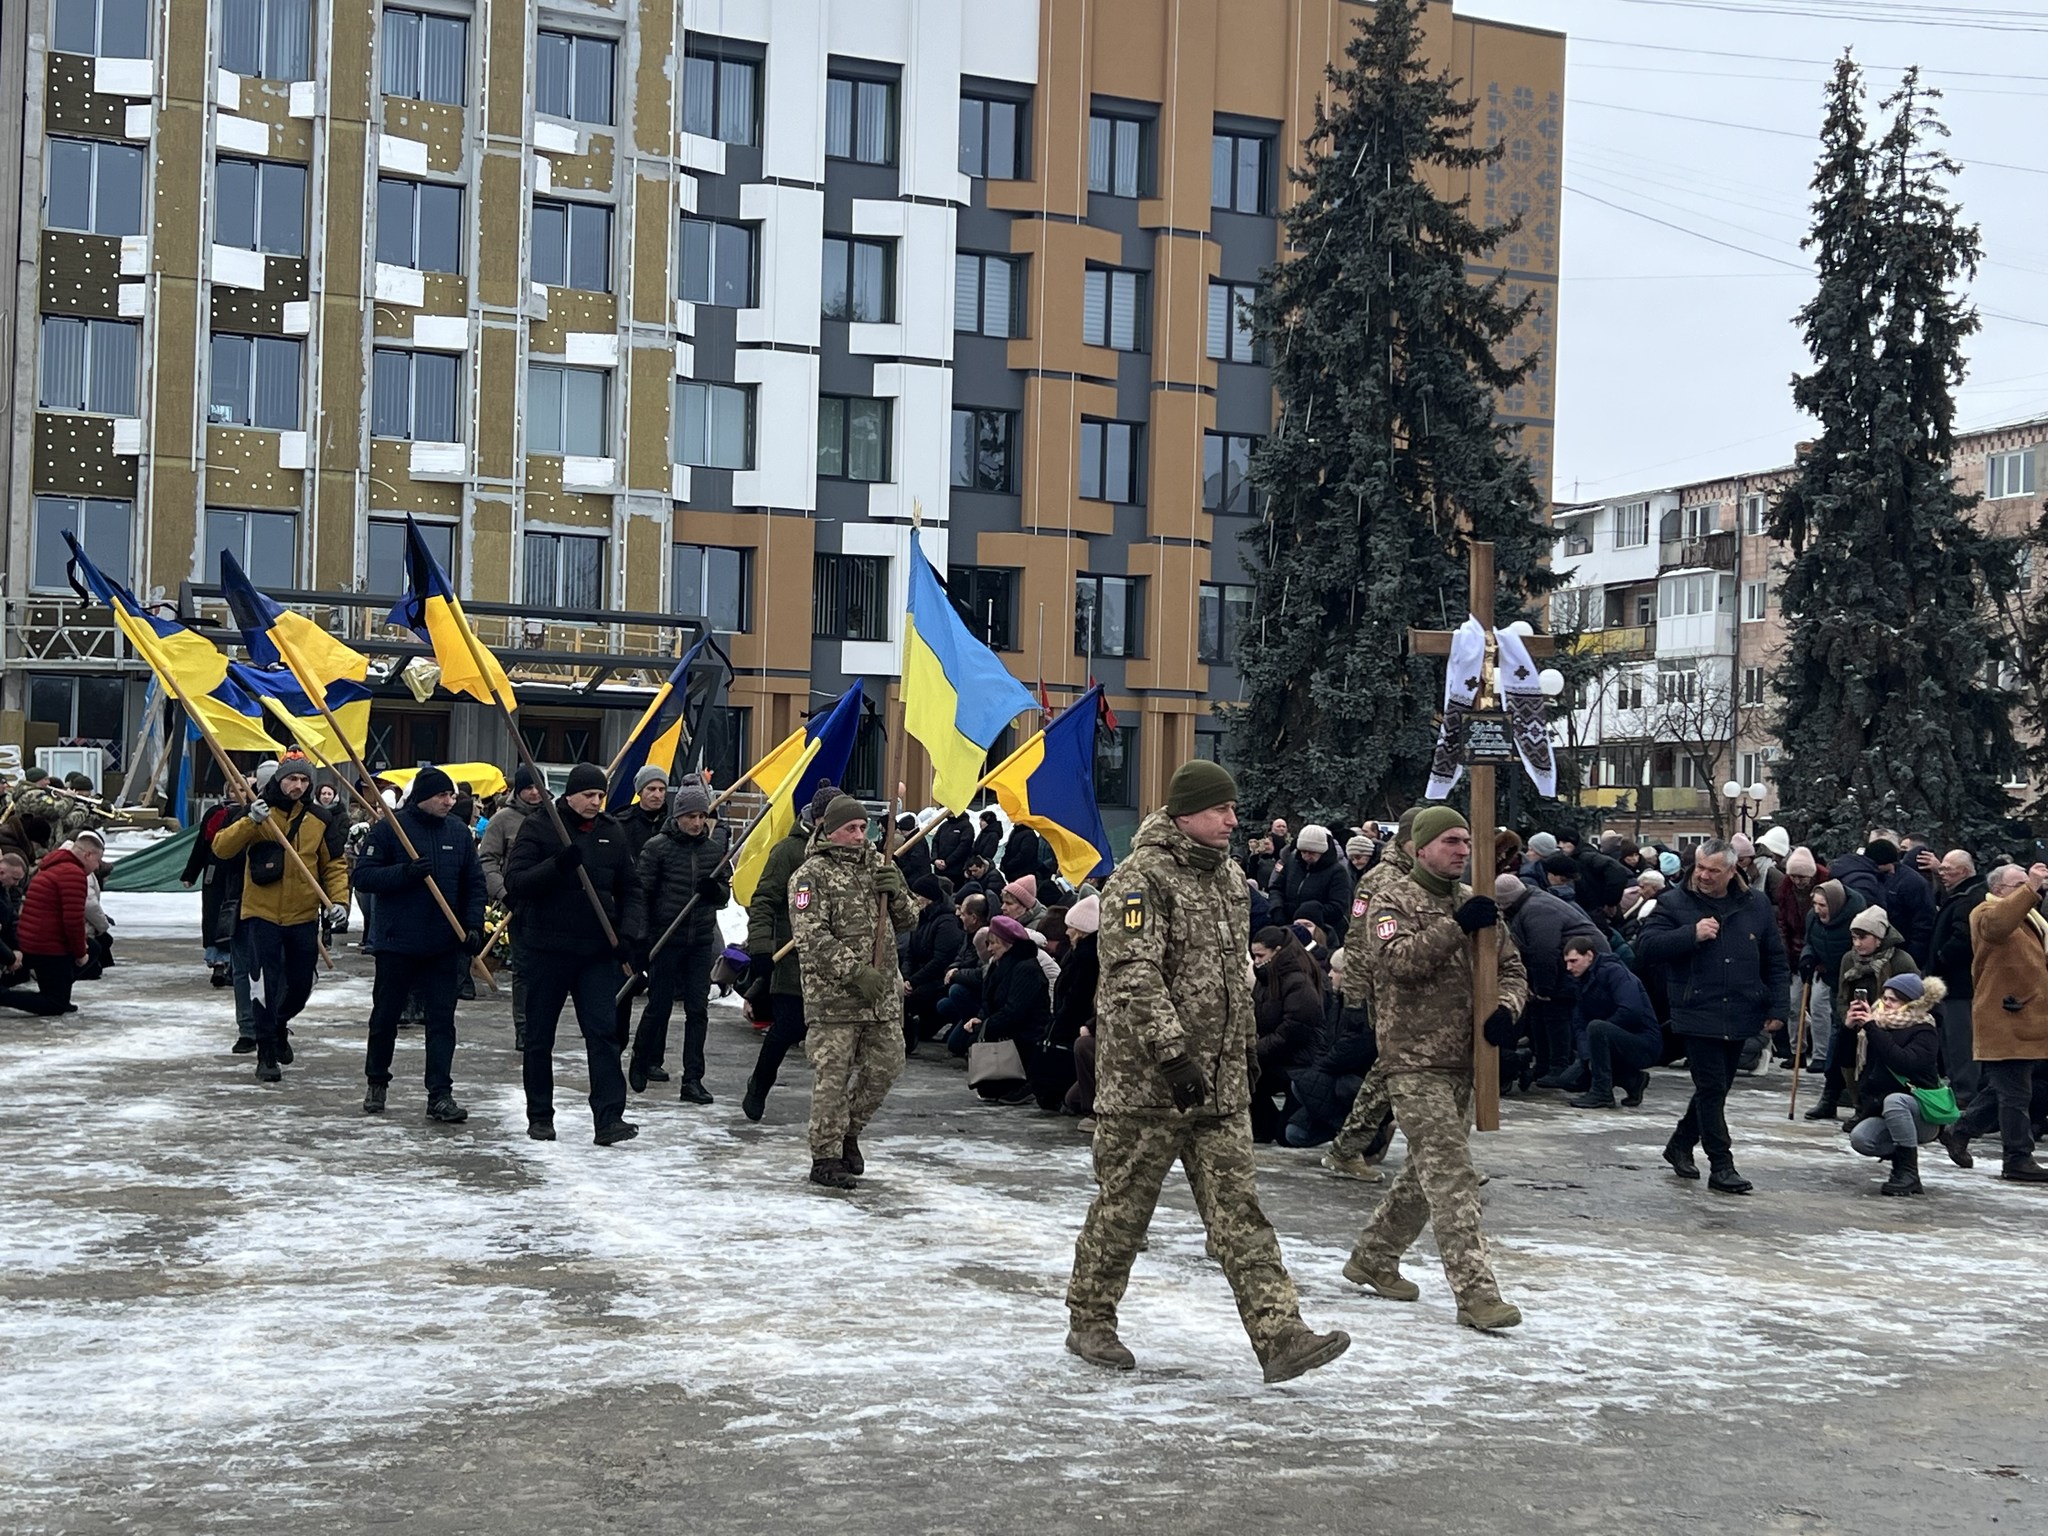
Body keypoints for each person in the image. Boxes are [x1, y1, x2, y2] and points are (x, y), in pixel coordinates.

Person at [1065, 761, 1349, 1383]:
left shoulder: (1225, 878)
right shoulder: (1142, 880)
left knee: (1240, 1214)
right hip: (1148, 1086)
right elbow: (1133, 975)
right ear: (1184, 813)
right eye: (1219, 809)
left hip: (1217, 1089)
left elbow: (1233, 978)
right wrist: (1173, 1055)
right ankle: (1090, 1320)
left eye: (1232, 809)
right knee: (1123, 1212)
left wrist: (1243, 1053)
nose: (1231, 820)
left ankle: (1280, 1336)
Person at [1344, 805, 1529, 1331]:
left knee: (1424, 1172)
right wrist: (1453, 928)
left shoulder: (1476, 903)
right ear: (1420, 847)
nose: (1462, 851)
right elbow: (1397, 962)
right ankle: (1476, 1295)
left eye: (1466, 842)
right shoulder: (1390, 900)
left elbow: (1512, 969)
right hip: (1412, 1059)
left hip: (1466, 1061)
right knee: (1451, 1175)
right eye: (1450, 841)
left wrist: (1506, 1011)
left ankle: (1375, 1256)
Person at [1636, 838, 1790, 1195]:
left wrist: (1778, 1008)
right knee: (1711, 1087)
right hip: (1696, 1007)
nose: (1704, 876)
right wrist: (1690, 934)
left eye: (1713, 870)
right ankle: (1722, 1165)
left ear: (1732, 871)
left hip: (1741, 1007)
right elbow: (1645, 948)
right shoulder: (1674, 901)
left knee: (1716, 1089)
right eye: (1701, 867)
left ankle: (1679, 1144)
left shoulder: (1757, 904)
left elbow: (1775, 960)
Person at [503, 762, 646, 1145]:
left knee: (603, 1035)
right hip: (546, 949)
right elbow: (515, 883)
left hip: (596, 953)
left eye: (600, 796)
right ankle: (540, 1116)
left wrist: (629, 933)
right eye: (588, 795)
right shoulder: (540, 826)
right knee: (539, 1037)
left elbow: (631, 889)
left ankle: (609, 1118)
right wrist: (556, 866)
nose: (595, 802)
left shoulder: (612, 833)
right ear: (570, 795)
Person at [787, 794, 914, 1189]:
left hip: (881, 1000)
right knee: (833, 1077)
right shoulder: (811, 876)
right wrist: (856, 972)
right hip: (834, 1000)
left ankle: (848, 1132)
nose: (860, 835)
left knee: (886, 1068)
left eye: (864, 828)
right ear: (830, 831)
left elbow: (909, 919)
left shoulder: (881, 865)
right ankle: (825, 1156)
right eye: (851, 829)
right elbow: (811, 937)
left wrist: (897, 894)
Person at [352, 766, 487, 1122]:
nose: (450, 801)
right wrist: (404, 873)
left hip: (443, 943)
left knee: (442, 1021)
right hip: (397, 941)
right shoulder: (390, 829)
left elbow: (473, 883)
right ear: (424, 797)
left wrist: (473, 925)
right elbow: (363, 877)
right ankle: (376, 1080)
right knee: (385, 1017)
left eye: (452, 795)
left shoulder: (458, 833)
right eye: (443, 795)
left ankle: (440, 1094)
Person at [210, 754, 350, 1084]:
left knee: (301, 985)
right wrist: (250, 821)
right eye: (291, 780)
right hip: (261, 914)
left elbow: (333, 865)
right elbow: (221, 847)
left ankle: (277, 1024)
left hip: (302, 916)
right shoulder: (259, 812)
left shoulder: (320, 818)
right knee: (263, 984)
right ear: (279, 781)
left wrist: (339, 900)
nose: (297, 786)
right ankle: (266, 1052)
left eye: (303, 781)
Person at [1941, 861, 2048, 1183]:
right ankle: (2017, 1157)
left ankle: (1959, 1129)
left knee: (2008, 1087)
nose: (2030, 890)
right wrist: (2031, 888)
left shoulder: (2029, 918)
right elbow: (1999, 927)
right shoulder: (1985, 914)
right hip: (2004, 1017)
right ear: (1998, 890)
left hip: (2028, 1018)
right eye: (2019, 885)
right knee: (2015, 1093)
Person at [740, 784, 839, 1122]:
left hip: (835, 959)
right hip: (792, 956)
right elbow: (764, 900)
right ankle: (759, 1084)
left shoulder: (848, 854)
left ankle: (833, 1110)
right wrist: (761, 949)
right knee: (789, 1027)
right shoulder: (790, 852)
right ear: (820, 818)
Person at [630, 778, 729, 1102]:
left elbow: (723, 895)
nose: (697, 823)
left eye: (702, 816)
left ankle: (693, 1079)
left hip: (699, 940)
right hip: (666, 937)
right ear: (678, 816)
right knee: (658, 1006)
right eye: (691, 817)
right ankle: (642, 1058)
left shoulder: (712, 850)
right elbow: (642, 896)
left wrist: (714, 891)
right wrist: (641, 940)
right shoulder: (657, 848)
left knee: (697, 1010)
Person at [1495, 875, 1607, 1090]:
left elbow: (1544, 951)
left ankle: (1558, 1066)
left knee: (1555, 1015)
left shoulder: (1536, 909)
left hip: (1577, 965)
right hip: (1566, 964)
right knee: (1539, 1013)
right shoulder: (1529, 904)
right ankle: (1544, 1065)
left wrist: (1542, 987)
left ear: (1505, 902)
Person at [1808, 905, 1917, 1121]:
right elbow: (1841, 995)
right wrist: (1848, 1014)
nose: (1857, 944)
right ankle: (1836, 1099)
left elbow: (1914, 998)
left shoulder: (1900, 960)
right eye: (1854, 938)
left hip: (1888, 1024)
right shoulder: (1849, 959)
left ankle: (1869, 1107)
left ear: (1878, 938)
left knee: (1875, 1061)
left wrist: (1879, 1017)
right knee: (1842, 1049)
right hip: (1855, 1020)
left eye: (1862, 938)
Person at [1843, 972, 1947, 1196]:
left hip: (1922, 1114)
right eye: (1885, 997)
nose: (1886, 1003)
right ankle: (1901, 1162)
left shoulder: (1924, 1029)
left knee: (1896, 1100)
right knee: (1861, 1139)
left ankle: (1909, 1172)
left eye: (1894, 999)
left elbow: (1903, 1063)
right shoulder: (1876, 1024)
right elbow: (1844, 1062)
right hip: (1883, 1111)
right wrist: (1848, 1028)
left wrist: (1872, 1028)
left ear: (1911, 1003)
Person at [479, 764, 545, 1048]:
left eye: (537, 787)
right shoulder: (502, 820)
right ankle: (524, 1027)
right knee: (524, 970)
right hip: (518, 903)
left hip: (552, 905)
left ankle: (543, 1025)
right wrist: (504, 893)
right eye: (527, 787)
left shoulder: (554, 818)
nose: (533, 793)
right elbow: (488, 861)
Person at [0, 830, 101, 1014]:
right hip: (46, 945)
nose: (97, 866)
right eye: (97, 860)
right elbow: (73, 920)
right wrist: (80, 954)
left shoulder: (56, 865)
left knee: (93, 947)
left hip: (34, 940)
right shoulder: (73, 874)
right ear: (88, 854)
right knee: (55, 1005)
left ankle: (59, 991)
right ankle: (5, 996)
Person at [956, 913, 1049, 1105]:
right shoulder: (997, 966)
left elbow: (1015, 1011)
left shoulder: (1026, 969)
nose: (989, 949)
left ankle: (1022, 1083)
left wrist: (986, 1025)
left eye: (993, 944)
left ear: (1008, 944)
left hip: (1024, 1035)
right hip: (1006, 1027)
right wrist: (980, 1020)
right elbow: (988, 1002)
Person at [1249, 925, 1326, 1144]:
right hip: (1277, 1055)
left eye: (1260, 955)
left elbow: (1295, 1029)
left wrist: (1256, 1048)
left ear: (1277, 951)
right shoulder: (1267, 979)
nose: (1256, 961)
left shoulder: (1298, 981)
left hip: (1299, 1062)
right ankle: (1264, 1126)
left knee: (1288, 1136)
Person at [1563, 938, 1660, 1109]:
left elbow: (1631, 1011)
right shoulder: (1580, 981)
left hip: (1643, 1042)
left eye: (1573, 961)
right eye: (1567, 962)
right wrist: (1588, 1056)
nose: (1569, 968)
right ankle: (1633, 1081)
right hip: (1610, 1039)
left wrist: (1600, 1036)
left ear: (1589, 956)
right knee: (1569, 1080)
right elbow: (1579, 1024)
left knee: (1597, 1028)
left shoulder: (1615, 972)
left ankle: (1602, 1093)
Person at [1927, 849, 1988, 1105]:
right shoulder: (1963, 894)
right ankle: (1961, 1091)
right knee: (1952, 1042)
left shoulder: (1968, 898)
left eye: (1946, 870)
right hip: (1955, 984)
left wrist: (1941, 958)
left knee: (1961, 1043)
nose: (1942, 874)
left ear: (1963, 871)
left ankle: (1965, 1095)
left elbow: (1962, 939)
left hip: (1961, 985)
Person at [1799, 877, 1864, 1078]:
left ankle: (1841, 1078)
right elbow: (1809, 940)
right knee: (1835, 1024)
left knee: (1843, 1028)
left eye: (1823, 905)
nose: (1818, 910)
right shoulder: (1813, 917)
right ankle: (1832, 1079)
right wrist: (1808, 957)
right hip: (1829, 976)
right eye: (1815, 904)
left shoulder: (1856, 917)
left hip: (1852, 981)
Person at [902, 875, 964, 1047]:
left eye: (917, 895)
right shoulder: (920, 918)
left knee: (911, 1000)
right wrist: (906, 977)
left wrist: (913, 981)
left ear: (928, 897)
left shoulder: (947, 922)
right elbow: (910, 952)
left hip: (936, 980)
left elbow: (941, 960)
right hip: (919, 976)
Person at [1054, 894, 1100, 1117]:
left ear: (1081, 929)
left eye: (1071, 927)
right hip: (1081, 1023)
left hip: (1081, 1026)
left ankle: (1093, 1111)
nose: (1066, 932)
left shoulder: (1086, 958)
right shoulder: (1078, 954)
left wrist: (1090, 1026)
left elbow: (1078, 997)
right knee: (1070, 1098)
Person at [1278, 824, 1353, 943]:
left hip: (1322, 931)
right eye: (1303, 852)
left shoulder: (1337, 872)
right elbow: (1277, 887)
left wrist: (1310, 912)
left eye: (1312, 853)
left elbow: (1339, 906)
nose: (1306, 856)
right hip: (1288, 925)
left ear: (1322, 851)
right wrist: (1277, 908)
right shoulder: (1293, 863)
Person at [618, 766, 669, 862]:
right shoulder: (622, 823)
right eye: (651, 789)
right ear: (640, 792)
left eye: (661, 790)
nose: (657, 795)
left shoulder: (672, 824)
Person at [931, 809, 975, 880]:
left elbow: (964, 847)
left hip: (957, 871)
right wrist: (935, 859)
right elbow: (935, 842)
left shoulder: (966, 826)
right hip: (939, 869)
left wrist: (948, 862)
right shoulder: (944, 826)